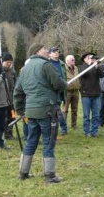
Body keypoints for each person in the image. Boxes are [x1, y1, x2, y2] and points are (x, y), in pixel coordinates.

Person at [14, 43, 67, 183]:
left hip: (31, 112)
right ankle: (50, 175)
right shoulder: (46, 65)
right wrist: (64, 84)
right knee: (48, 142)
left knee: (31, 141)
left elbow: (18, 92)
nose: (47, 50)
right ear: (38, 51)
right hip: (46, 110)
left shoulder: (25, 69)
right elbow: (58, 84)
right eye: (45, 49)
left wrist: (20, 111)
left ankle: (23, 172)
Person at [78, 52, 104, 137]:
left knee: (96, 115)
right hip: (86, 94)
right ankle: (87, 132)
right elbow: (83, 74)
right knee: (86, 115)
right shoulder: (81, 67)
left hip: (96, 94)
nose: (91, 59)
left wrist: (96, 66)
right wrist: (89, 65)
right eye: (89, 58)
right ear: (85, 59)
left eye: (92, 58)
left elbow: (102, 75)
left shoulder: (97, 67)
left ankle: (94, 131)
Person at [49, 47, 68, 136]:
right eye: (54, 52)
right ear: (49, 54)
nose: (56, 53)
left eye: (57, 52)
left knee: (57, 111)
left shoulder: (62, 64)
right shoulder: (47, 64)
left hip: (61, 90)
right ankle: (62, 128)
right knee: (57, 111)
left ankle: (59, 128)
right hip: (52, 90)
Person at [2, 52, 17, 140]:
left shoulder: (12, 72)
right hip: (4, 100)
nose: (9, 63)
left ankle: (9, 134)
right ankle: (3, 133)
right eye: (7, 61)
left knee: (12, 116)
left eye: (10, 62)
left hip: (12, 99)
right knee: (4, 118)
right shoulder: (0, 71)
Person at [64, 55, 81, 129]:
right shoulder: (63, 69)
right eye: (72, 60)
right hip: (67, 92)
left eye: (74, 60)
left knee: (75, 110)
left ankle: (74, 125)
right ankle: (63, 126)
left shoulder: (76, 68)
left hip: (75, 91)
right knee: (65, 110)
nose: (73, 61)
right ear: (67, 61)